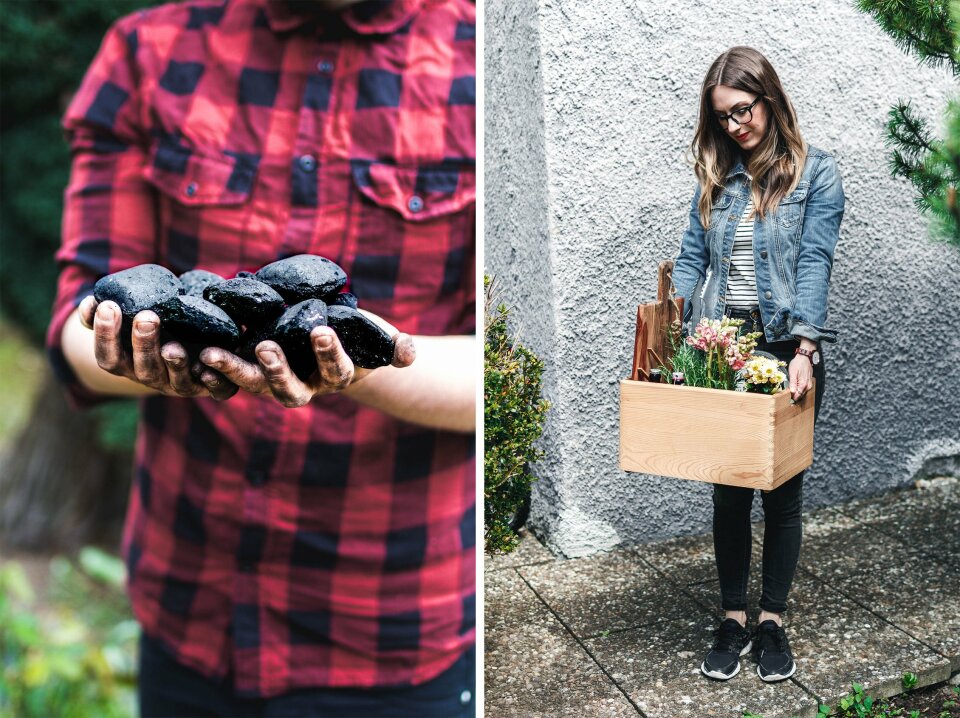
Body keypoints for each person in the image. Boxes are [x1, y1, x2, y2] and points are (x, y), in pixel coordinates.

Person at [45, 0, 477, 715]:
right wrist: (149, 347)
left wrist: (358, 362)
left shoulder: (476, 56)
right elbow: (74, 326)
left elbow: (493, 375)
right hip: (189, 614)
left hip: (391, 629)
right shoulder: (149, 51)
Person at [671, 46, 844, 683]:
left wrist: (805, 349)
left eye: (743, 110)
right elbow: (692, 259)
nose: (735, 125)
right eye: (723, 116)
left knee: (782, 491)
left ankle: (771, 620)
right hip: (725, 347)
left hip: (784, 345)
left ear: (769, 99)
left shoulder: (815, 174)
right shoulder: (717, 178)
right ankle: (733, 618)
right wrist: (670, 320)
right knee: (729, 490)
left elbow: (815, 262)